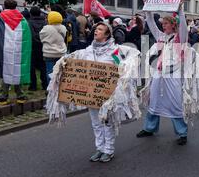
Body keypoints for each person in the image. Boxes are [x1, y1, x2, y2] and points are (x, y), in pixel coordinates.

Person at [46, 22, 141, 163]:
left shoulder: (114, 51)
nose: (96, 31)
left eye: (100, 29)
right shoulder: (88, 51)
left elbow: (127, 61)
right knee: (96, 122)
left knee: (106, 121)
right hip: (91, 94)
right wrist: (63, 62)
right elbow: (74, 60)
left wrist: (125, 68)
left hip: (108, 95)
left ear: (107, 34)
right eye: (96, 29)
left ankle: (108, 150)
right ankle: (100, 148)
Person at [136, 1, 197, 145]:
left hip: (173, 75)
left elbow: (183, 26)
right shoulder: (161, 37)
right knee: (154, 100)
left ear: (173, 25)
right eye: (162, 24)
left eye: (166, 24)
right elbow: (150, 23)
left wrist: (180, 10)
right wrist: (148, 8)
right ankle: (149, 128)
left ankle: (182, 133)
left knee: (175, 103)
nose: (163, 26)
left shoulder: (180, 38)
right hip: (159, 73)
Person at [0, 0, 32, 105]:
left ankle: (3, 96)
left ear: (4, 6)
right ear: (15, 6)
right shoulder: (22, 19)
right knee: (17, 71)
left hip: (5, 49)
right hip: (19, 49)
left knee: (7, 71)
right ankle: (20, 95)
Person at [39, 11, 67, 87]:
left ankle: (50, 89)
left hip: (49, 53)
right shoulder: (63, 27)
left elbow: (41, 38)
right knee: (60, 72)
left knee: (50, 73)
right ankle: (59, 88)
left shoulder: (46, 28)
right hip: (61, 53)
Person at [28, 6, 47, 91]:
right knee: (43, 66)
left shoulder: (29, 22)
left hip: (32, 47)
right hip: (43, 46)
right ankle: (45, 84)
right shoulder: (45, 22)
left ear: (31, 13)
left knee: (32, 67)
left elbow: (31, 35)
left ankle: (33, 85)